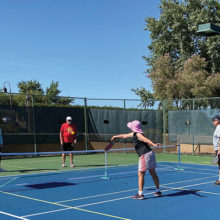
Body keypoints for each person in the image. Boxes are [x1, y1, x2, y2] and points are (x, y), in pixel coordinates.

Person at [111, 120, 161, 200]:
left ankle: (140, 194)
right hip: (150, 153)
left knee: (140, 174)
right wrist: (115, 136)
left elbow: (146, 140)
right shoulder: (134, 134)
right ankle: (158, 191)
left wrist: (154, 144)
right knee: (153, 173)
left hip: (145, 155)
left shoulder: (137, 134)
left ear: (133, 128)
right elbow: (124, 135)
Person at [212, 115, 220, 185]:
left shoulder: (219, 128)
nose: (213, 122)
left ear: (218, 121)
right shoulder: (217, 128)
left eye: (214, 120)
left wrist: (219, 150)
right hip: (217, 150)